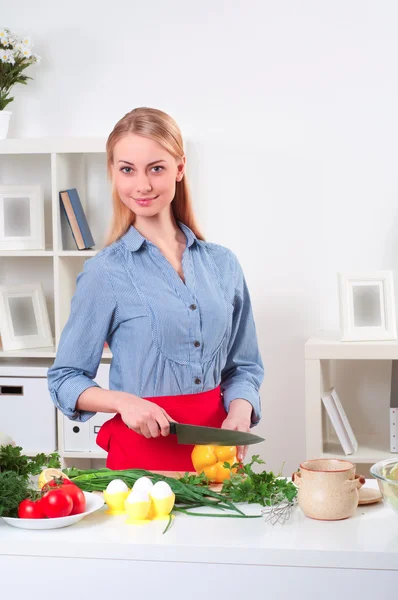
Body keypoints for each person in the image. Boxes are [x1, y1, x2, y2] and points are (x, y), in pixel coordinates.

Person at [47, 107, 264, 471]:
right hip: (141, 464)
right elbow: (65, 379)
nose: (142, 185)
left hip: (217, 455)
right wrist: (123, 402)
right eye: (127, 169)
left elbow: (245, 366)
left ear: (180, 168)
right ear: (113, 173)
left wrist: (241, 410)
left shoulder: (223, 264)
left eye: (156, 168)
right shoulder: (105, 273)